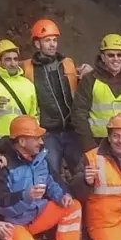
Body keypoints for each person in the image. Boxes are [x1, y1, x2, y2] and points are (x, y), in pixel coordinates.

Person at [0, 116, 89, 240]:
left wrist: (63, 195)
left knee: (72, 206)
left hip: (34, 216)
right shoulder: (2, 164)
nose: (41, 142)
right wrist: (25, 196)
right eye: (37, 138)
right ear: (22, 141)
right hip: (10, 223)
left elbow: (52, 181)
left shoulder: (40, 158)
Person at [20, 19, 79, 178]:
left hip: (71, 129)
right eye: (47, 41)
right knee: (51, 174)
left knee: (82, 172)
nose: (53, 44)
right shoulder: (27, 68)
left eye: (54, 40)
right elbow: (8, 69)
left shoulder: (67, 64)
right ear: (37, 44)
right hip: (47, 132)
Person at [70, 34, 121, 154]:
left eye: (120, 55)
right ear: (102, 57)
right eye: (111, 55)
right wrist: (89, 146)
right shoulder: (89, 80)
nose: (116, 59)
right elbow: (79, 114)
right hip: (99, 144)